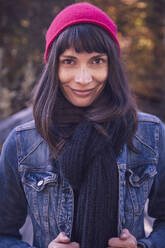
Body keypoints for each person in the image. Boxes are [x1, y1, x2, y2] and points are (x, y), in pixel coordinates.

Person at [0, 2, 165, 248]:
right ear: (53, 66)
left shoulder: (150, 134)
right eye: (69, 61)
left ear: (112, 66)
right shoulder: (23, 142)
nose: (83, 78)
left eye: (97, 60)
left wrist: (143, 246)